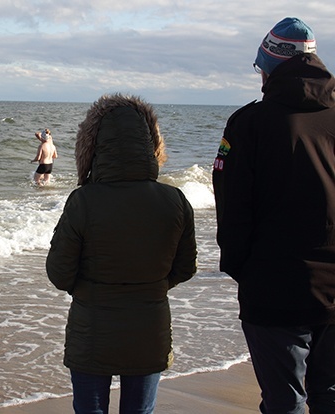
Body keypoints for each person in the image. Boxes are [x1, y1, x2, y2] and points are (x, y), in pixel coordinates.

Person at [212, 17, 335, 413]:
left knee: (284, 402)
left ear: (269, 66)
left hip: (274, 286)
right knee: (329, 395)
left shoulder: (249, 123)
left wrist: (240, 269)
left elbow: (232, 209)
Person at [46, 94, 197, 414]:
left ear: (92, 146)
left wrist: (91, 289)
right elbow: (185, 268)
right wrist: (151, 287)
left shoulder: (83, 201)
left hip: (92, 331)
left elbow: (59, 273)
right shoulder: (175, 200)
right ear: (152, 143)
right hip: (149, 328)